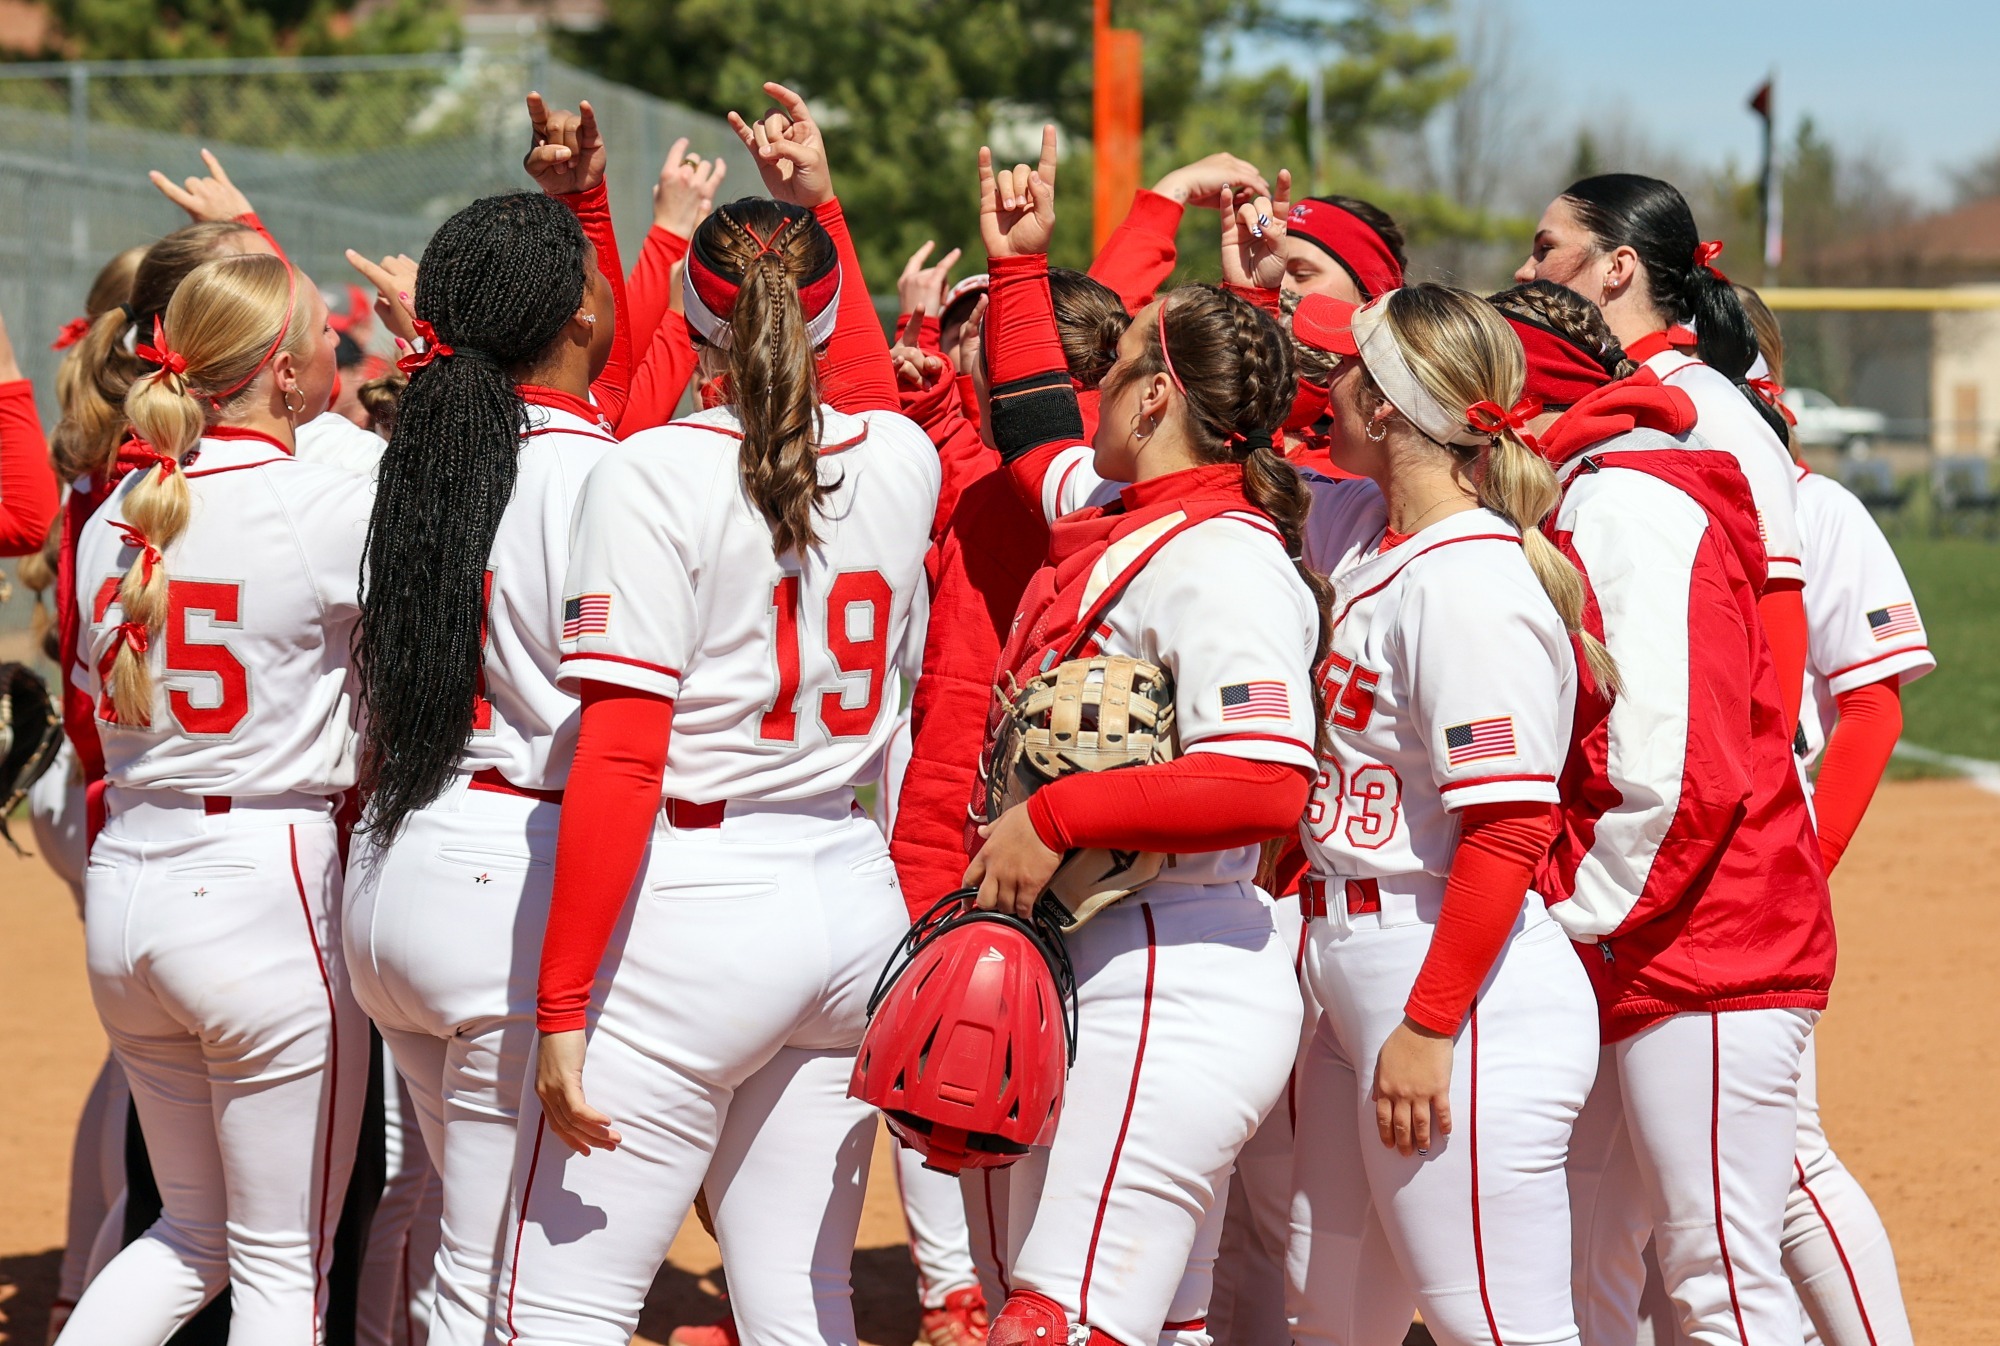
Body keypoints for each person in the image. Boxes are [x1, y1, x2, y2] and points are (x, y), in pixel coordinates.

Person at [493, 83, 939, 1346]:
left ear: (689, 312)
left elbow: (624, 755)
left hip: (694, 906)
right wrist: (821, 202)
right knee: (802, 1306)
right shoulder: (898, 457)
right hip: (852, 895)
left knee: (560, 1308)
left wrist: (564, 1001)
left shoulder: (649, 468)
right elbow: (843, 366)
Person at [962, 126, 1316, 1346]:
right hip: (1105, 952)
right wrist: (1019, 267)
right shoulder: (1120, 509)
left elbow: (1268, 781)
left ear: (1155, 395)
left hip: (1178, 961)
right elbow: (1024, 431)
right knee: (1149, 1318)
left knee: (1054, 1321)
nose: (1089, 388)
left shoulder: (1227, 557)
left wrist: (1054, 811)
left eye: (1107, 367)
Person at [1483, 278, 1835, 1346]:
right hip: (1645, 937)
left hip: (1709, 940)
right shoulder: (1585, 492)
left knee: (1718, 1273)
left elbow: (1673, 767)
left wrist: (1566, 909)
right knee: (1594, 1263)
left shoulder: (1622, 503)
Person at [342, 94, 630, 1345]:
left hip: (396, 864)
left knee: (471, 1248)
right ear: (578, 316)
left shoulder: (416, 454)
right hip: (511, 884)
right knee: (507, 1277)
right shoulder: (601, 472)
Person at [1279, 285, 1604, 1346]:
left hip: (1455, 986)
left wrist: (1427, 1023)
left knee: (1494, 1324)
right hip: (1352, 962)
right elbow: (1255, 445)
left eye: (1343, 371)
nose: (1319, 384)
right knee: (1327, 1313)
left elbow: (1509, 828)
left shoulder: (1468, 584)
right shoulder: (1367, 533)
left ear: (1382, 408)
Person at [61, 248, 374, 1344]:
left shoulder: (120, 514)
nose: (339, 341)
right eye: (321, 333)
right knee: (284, 1267)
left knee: (190, 1235)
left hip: (130, 878)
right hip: (262, 884)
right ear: (282, 377)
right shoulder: (324, 497)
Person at [1736, 285, 1926, 1346]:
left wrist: (1799, 859)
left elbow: (1871, 706)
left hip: (1759, 869)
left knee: (1786, 1149)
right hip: (1654, 868)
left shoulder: (1814, 509)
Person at [1513, 173, 1810, 735]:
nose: (1525, 271)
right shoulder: (1589, 395)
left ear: (1616, 268)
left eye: (1546, 248)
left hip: (1704, 787)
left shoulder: (1705, 404)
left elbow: (1775, 602)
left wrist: (1758, 771)